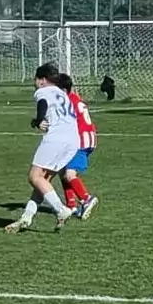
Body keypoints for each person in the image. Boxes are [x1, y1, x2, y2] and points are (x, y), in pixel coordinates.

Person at [5, 62, 78, 233]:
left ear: (42, 80)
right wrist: (37, 121)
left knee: (34, 177)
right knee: (43, 180)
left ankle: (61, 210)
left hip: (57, 139)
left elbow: (43, 103)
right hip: (73, 139)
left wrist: (38, 120)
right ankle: (27, 217)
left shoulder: (43, 91)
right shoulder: (62, 93)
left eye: (36, 79)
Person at [55, 73, 99, 219]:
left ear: (63, 91)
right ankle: (71, 205)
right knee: (62, 170)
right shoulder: (74, 98)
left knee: (69, 174)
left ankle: (86, 199)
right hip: (87, 138)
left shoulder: (67, 103)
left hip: (80, 140)